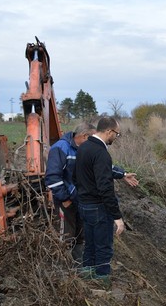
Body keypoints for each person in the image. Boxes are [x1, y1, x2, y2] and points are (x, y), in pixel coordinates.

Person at [45, 122, 138, 263]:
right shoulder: (61, 148)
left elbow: (102, 167)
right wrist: (65, 198)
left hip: (81, 199)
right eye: (92, 136)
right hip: (66, 201)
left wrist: (122, 174)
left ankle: (80, 265)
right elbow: (53, 177)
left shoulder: (84, 149)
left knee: (81, 234)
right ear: (85, 136)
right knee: (66, 234)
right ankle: (64, 270)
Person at [74, 117, 137, 285]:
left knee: (90, 244)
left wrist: (122, 175)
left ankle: (87, 277)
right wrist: (117, 217)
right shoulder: (101, 153)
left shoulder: (83, 148)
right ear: (109, 131)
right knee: (103, 246)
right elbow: (105, 188)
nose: (116, 137)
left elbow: (80, 175)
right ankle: (102, 283)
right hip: (98, 207)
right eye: (117, 133)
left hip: (84, 205)